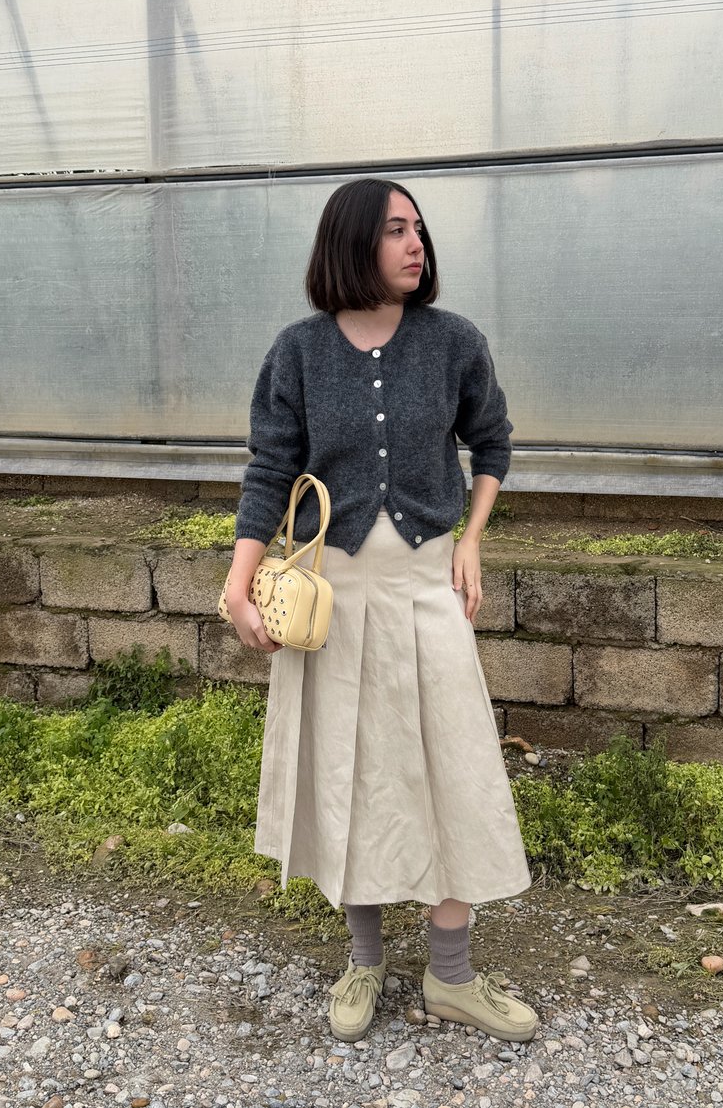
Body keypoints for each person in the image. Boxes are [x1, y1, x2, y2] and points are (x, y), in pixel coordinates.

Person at [224, 177, 537, 1044]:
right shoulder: (296, 352)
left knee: (452, 771)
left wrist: (472, 538)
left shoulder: (454, 342)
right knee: (348, 775)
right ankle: (364, 960)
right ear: (351, 240)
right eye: (396, 229)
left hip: (427, 589)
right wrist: (238, 581)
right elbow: (269, 470)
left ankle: (452, 976)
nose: (415, 243)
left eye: (419, 230)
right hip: (334, 601)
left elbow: (493, 443)